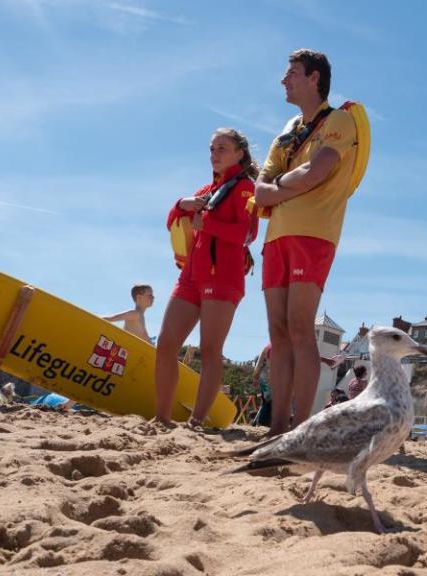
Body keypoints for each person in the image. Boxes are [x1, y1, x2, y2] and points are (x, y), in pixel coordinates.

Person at [254, 49, 360, 435]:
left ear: (314, 78)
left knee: (301, 329)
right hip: (275, 238)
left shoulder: (339, 120)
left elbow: (317, 172)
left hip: (313, 234)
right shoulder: (287, 129)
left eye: (292, 73)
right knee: (278, 334)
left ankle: (302, 430)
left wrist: (279, 186)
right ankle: (276, 428)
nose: (284, 80)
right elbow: (259, 192)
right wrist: (287, 183)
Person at [154, 128, 259, 428]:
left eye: (222, 149)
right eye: (212, 149)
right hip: (190, 277)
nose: (214, 155)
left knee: (211, 350)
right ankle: (160, 419)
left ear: (239, 153)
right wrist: (180, 204)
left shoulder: (245, 189)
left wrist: (208, 224)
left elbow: (247, 234)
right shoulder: (205, 190)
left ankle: (196, 421)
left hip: (224, 278)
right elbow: (172, 222)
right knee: (166, 344)